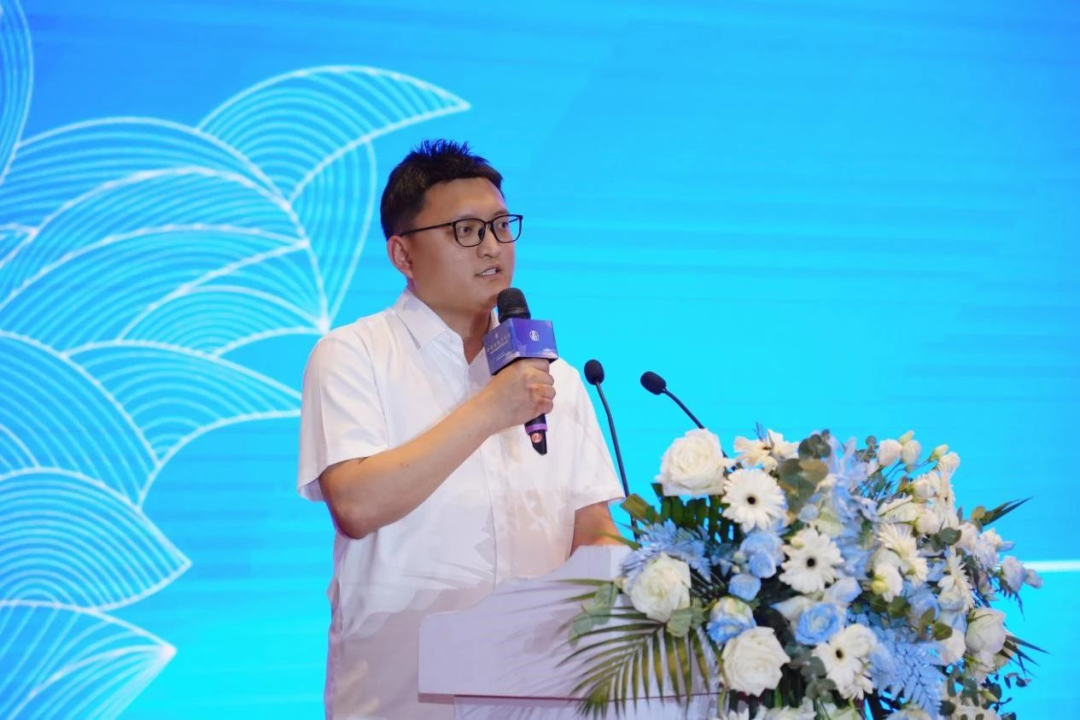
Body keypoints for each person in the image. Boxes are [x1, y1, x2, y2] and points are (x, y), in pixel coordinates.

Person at [296, 139, 625, 719]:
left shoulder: (557, 378)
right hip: (402, 698)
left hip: (543, 695)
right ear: (403, 254)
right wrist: (491, 409)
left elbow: (592, 529)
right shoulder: (353, 354)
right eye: (466, 231)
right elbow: (356, 505)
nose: (493, 247)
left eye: (501, 226)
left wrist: (648, 590)